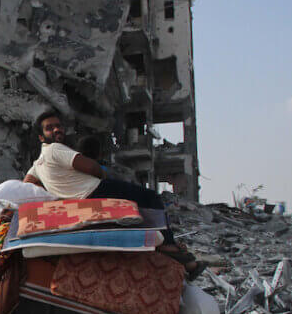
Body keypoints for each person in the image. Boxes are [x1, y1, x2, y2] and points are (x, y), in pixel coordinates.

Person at [23, 110, 202, 276]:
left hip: (79, 200)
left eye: (58, 126)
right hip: (96, 190)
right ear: (41, 137)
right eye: (49, 128)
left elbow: (25, 186)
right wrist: (102, 174)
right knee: (151, 197)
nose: (56, 130)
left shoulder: (37, 165)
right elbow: (91, 166)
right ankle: (169, 245)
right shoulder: (55, 149)